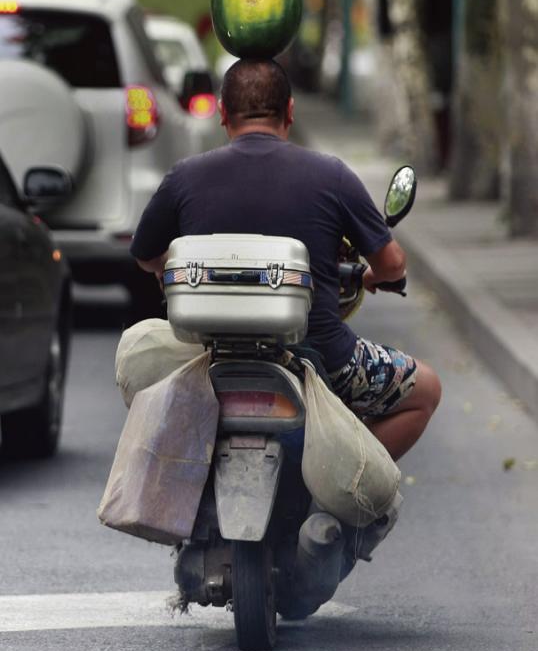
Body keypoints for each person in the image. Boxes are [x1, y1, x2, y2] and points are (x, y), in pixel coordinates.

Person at [130, 59, 441, 461]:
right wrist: (374, 277)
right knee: (427, 389)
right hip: (325, 359)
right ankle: (342, 487)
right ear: (290, 112)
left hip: (206, 358)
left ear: (223, 112)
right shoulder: (331, 174)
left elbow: (145, 256)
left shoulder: (184, 177)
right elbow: (393, 263)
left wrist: (165, 273)